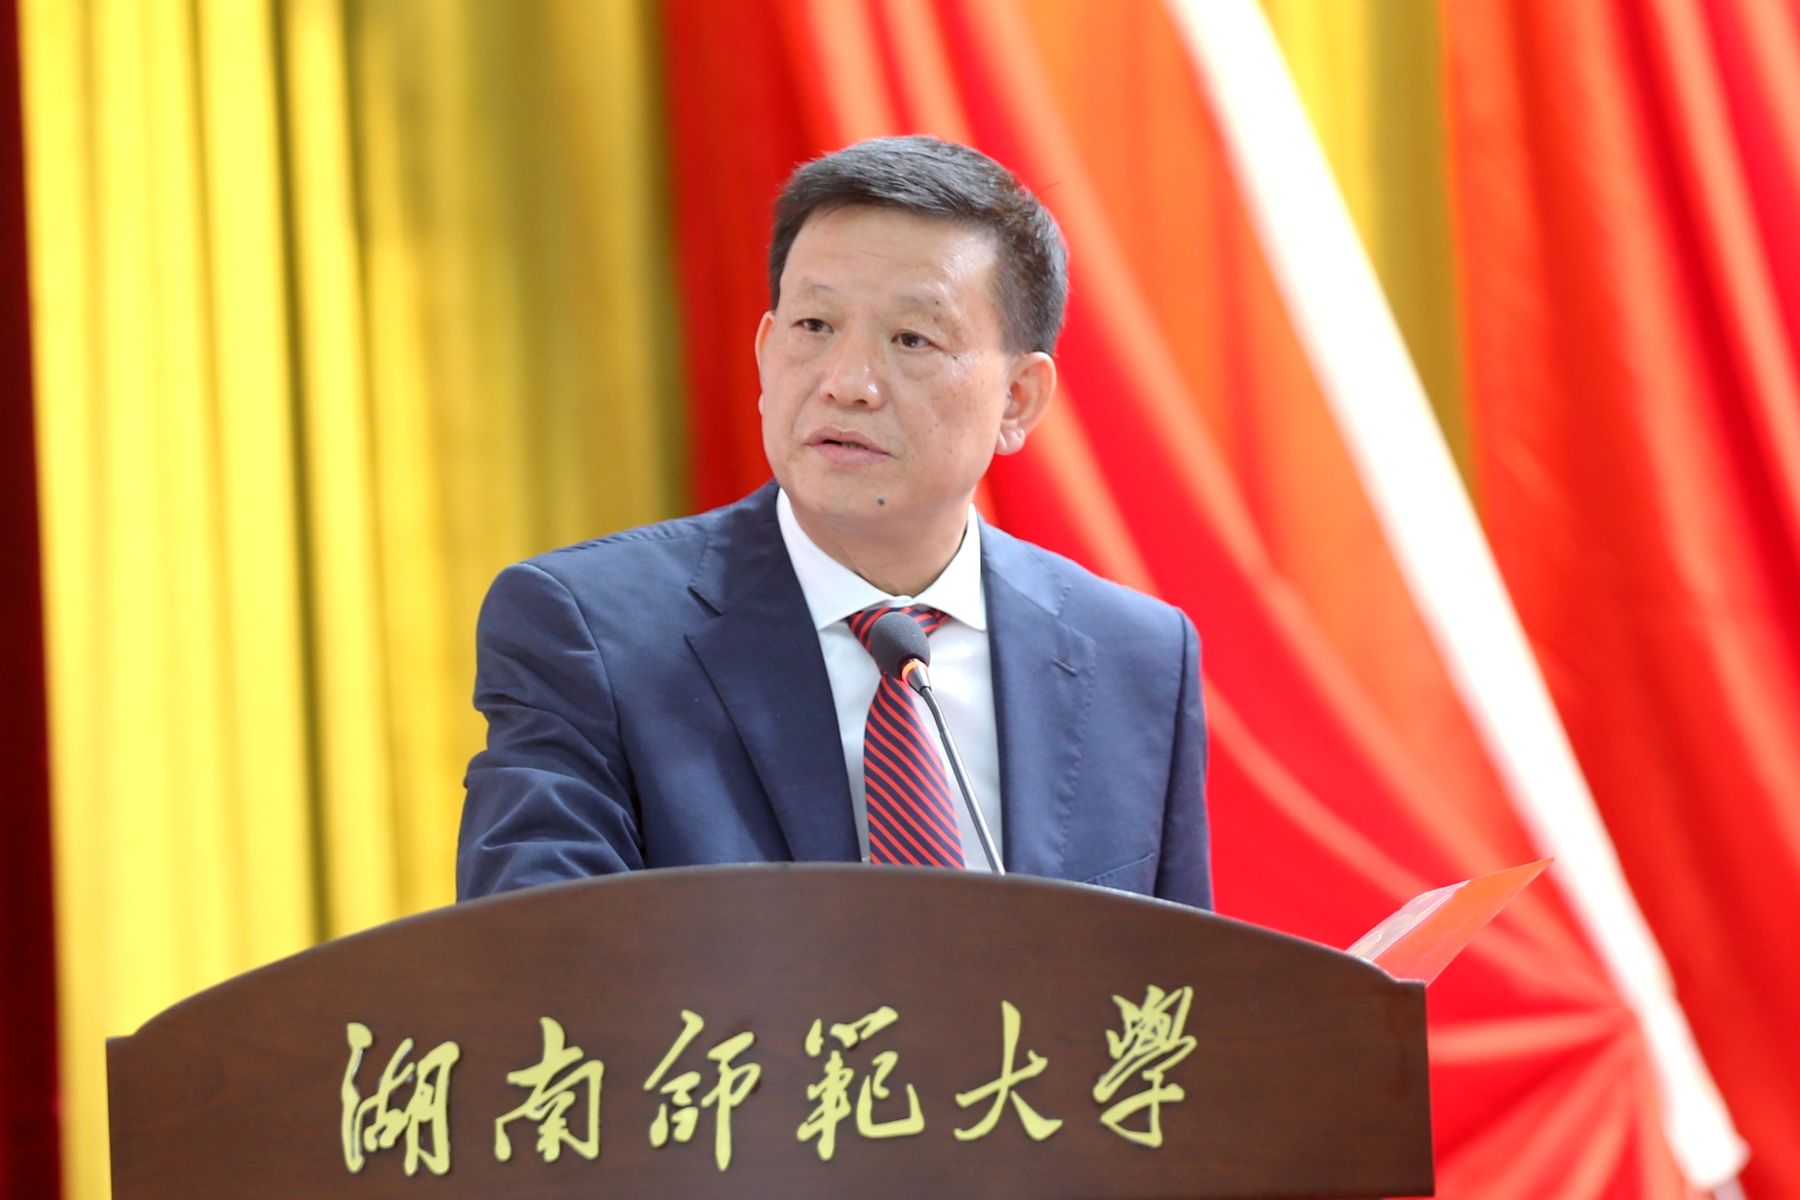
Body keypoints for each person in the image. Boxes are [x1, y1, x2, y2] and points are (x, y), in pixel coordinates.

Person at [457, 136, 1210, 908]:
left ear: (1017, 399)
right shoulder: (588, 632)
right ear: (765, 353)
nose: (847, 384)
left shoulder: (1135, 660)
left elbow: (1177, 979)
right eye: (814, 326)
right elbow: (540, 956)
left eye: (912, 339)